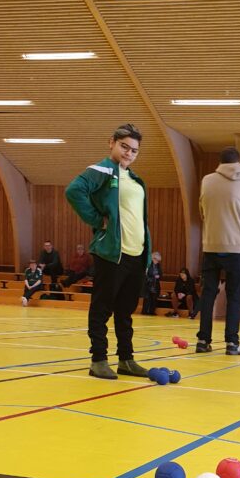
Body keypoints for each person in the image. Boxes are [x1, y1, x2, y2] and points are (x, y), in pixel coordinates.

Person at [65, 123, 151, 379]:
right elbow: (74, 191)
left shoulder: (134, 178)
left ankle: (126, 359)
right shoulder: (102, 170)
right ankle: (99, 360)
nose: (128, 153)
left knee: (125, 312)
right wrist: (96, 220)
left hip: (136, 255)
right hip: (112, 253)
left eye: (134, 150)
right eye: (124, 147)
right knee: (102, 308)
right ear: (111, 143)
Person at [196, 147, 240, 355]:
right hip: (235, 246)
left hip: (211, 245)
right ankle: (232, 343)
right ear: (238, 162)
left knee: (208, 294)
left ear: (219, 162)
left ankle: (203, 341)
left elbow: (201, 211)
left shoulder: (207, 180)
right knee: (234, 296)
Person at [141, 251, 163, 315]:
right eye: (156, 260)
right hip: (148, 283)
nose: (157, 262)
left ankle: (152, 311)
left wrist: (159, 276)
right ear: (153, 258)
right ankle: (145, 311)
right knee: (147, 298)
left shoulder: (158, 265)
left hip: (155, 284)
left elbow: (161, 274)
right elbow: (145, 274)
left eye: (158, 260)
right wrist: (152, 278)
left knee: (154, 298)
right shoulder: (148, 264)